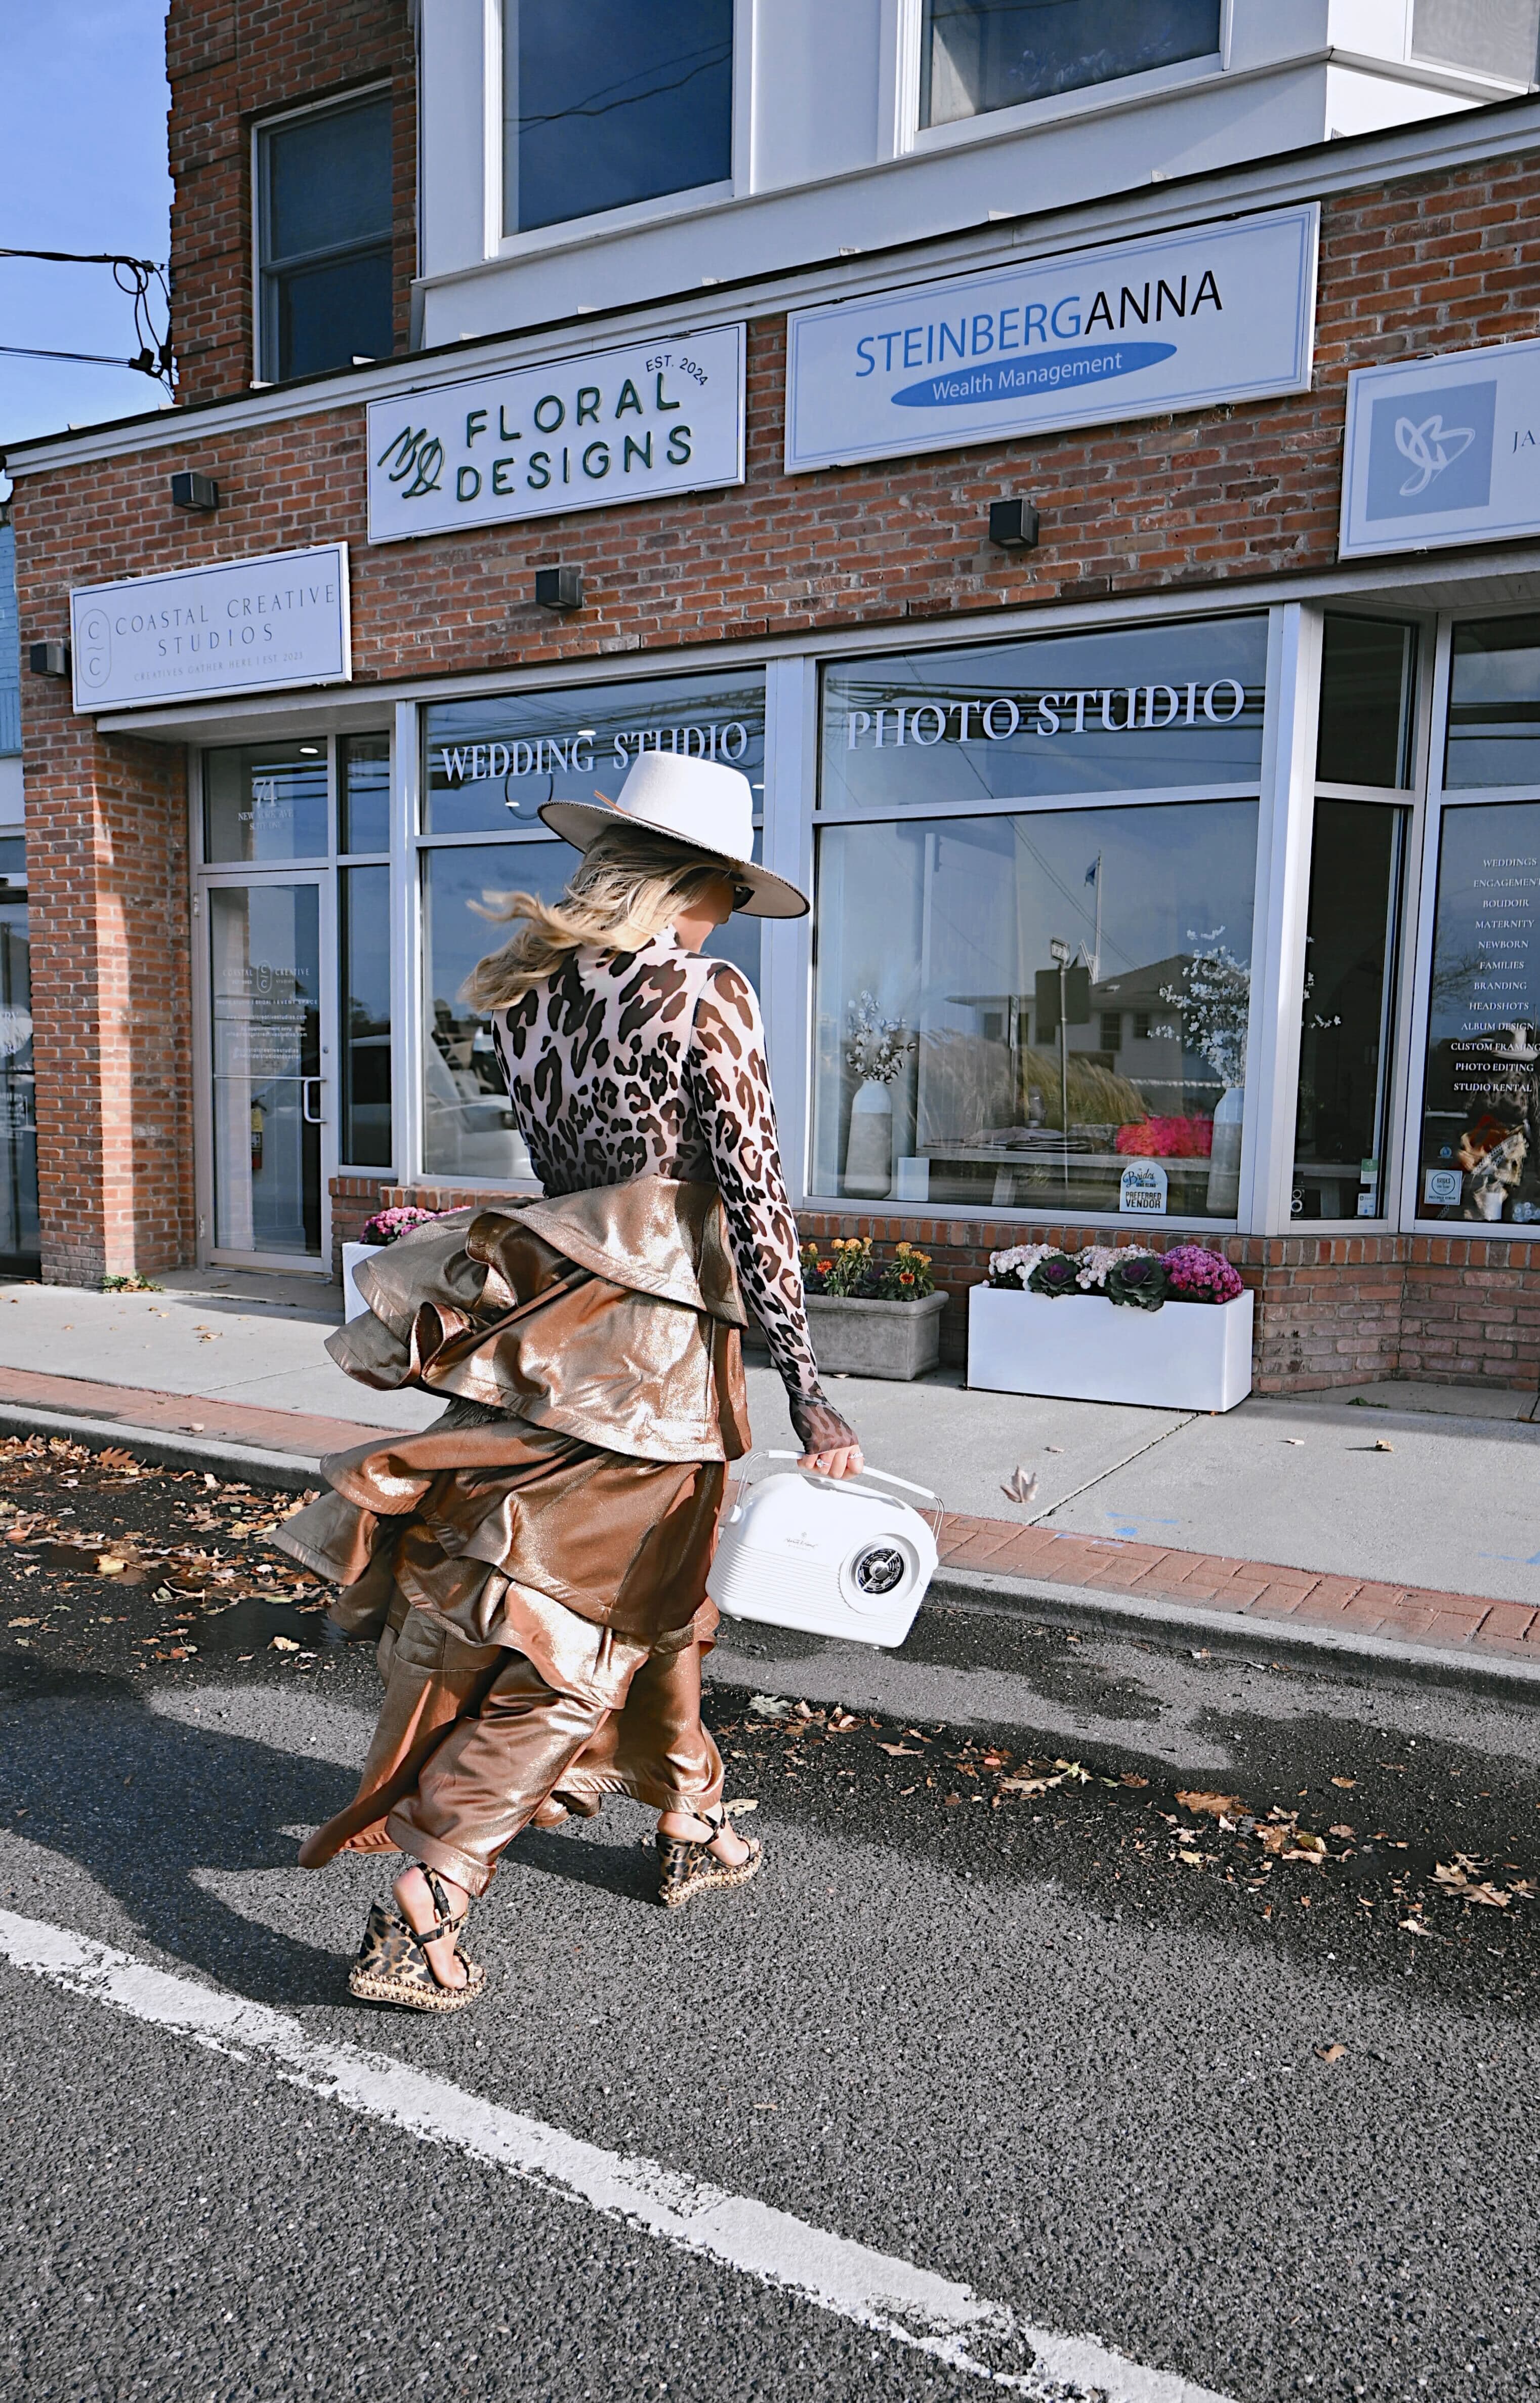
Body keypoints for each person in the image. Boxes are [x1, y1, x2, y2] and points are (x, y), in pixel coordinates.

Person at [273, 749, 862, 2013]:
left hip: (551, 1332)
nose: (720, 921)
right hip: (653, 1362)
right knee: (586, 1619)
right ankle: (437, 1878)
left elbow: (570, 1184)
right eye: (720, 897)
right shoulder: (707, 992)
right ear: (691, 884)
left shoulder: (524, 1002)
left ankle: (692, 1819)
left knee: (645, 1585)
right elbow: (754, 1198)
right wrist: (809, 1384)